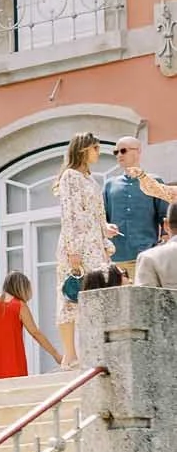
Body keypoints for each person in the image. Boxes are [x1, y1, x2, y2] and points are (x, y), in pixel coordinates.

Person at [56, 134, 115, 366]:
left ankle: (93, 350)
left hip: (95, 246)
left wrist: (106, 235)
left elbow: (98, 215)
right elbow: (69, 213)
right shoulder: (70, 177)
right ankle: (70, 355)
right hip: (77, 246)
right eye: (96, 147)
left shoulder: (91, 180)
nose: (99, 151)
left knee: (95, 295)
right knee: (70, 296)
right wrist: (73, 249)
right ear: (83, 150)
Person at [101, 138, 174, 271]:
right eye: (116, 152)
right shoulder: (109, 185)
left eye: (123, 151)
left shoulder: (154, 182)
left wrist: (163, 246)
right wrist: (105, 227)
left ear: (138, 152)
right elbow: (101, 218)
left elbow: (164, 218)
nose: (119, 155)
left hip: (146, 257)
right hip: (116, 260)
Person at [0, 271, 60, 379]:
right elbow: (35, 333)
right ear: (21, 288)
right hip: (12, 359)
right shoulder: (19, 306)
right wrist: (56, 355)